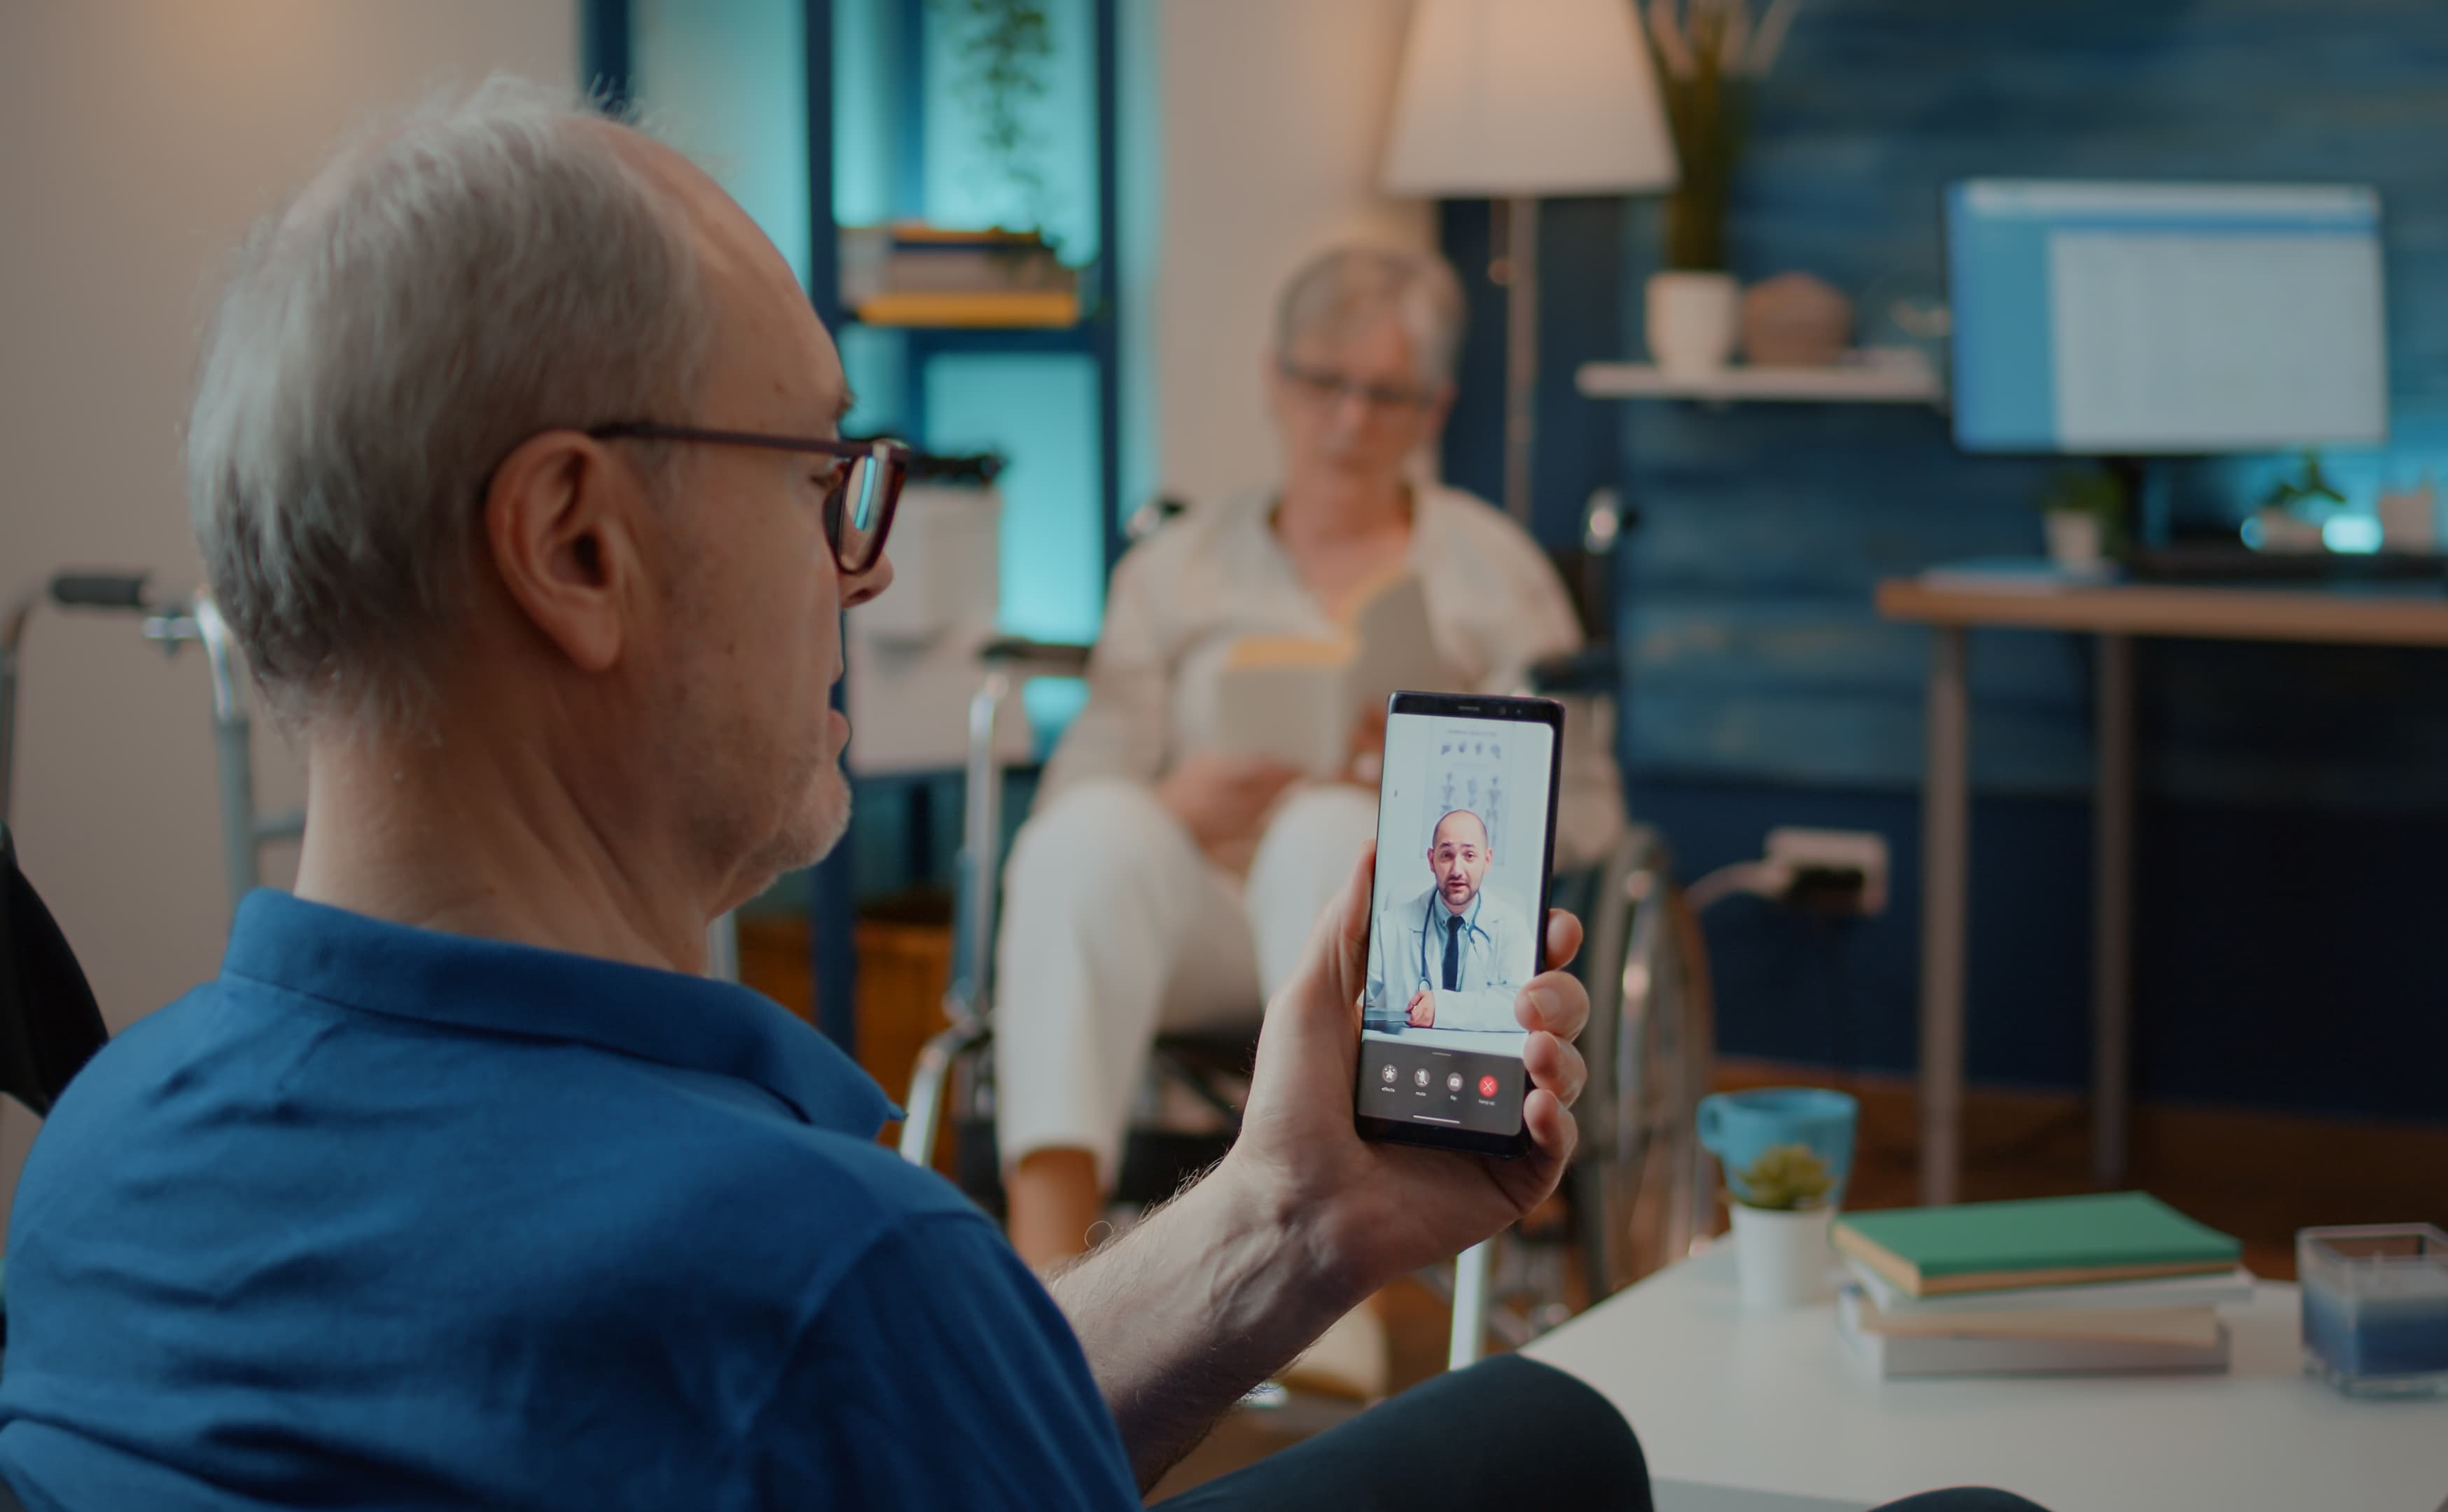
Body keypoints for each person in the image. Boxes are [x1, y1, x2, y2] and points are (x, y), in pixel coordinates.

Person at [0, 80, 1617, 1511]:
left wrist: (1284, 1215)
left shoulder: (96, 1161)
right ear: (576, 544)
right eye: (816, 476)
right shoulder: (817, 1267)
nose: (867, 560)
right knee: (1559, 1438)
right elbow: (838, 1371)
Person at [992, 243, 1625, 1265]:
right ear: (1274, 378)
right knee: (1091, 835)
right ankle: (1046, 1263)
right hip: (1191, 920)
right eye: (1323, 384)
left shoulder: (1493, 575)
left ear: (1433, 408)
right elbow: (1078, 789)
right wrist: (1179, 806)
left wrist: (1419, 798)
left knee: (1335, 832)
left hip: (1393, 956)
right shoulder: (1176, 569)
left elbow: (1584, 814)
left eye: (1386, 396)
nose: (1347, 421)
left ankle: (1320, 1259)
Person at [1367, 808, 1538, 1033]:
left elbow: (1526, 1008)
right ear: (1431, 860)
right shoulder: (1389, 926)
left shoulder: (1511, 926)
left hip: (1480, 1061)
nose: (1457, 870)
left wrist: (1442, 1009)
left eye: (1469, 856)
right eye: (1446, 855)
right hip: (1409, 1058)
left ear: (1487, 861)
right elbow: (1353, 999)